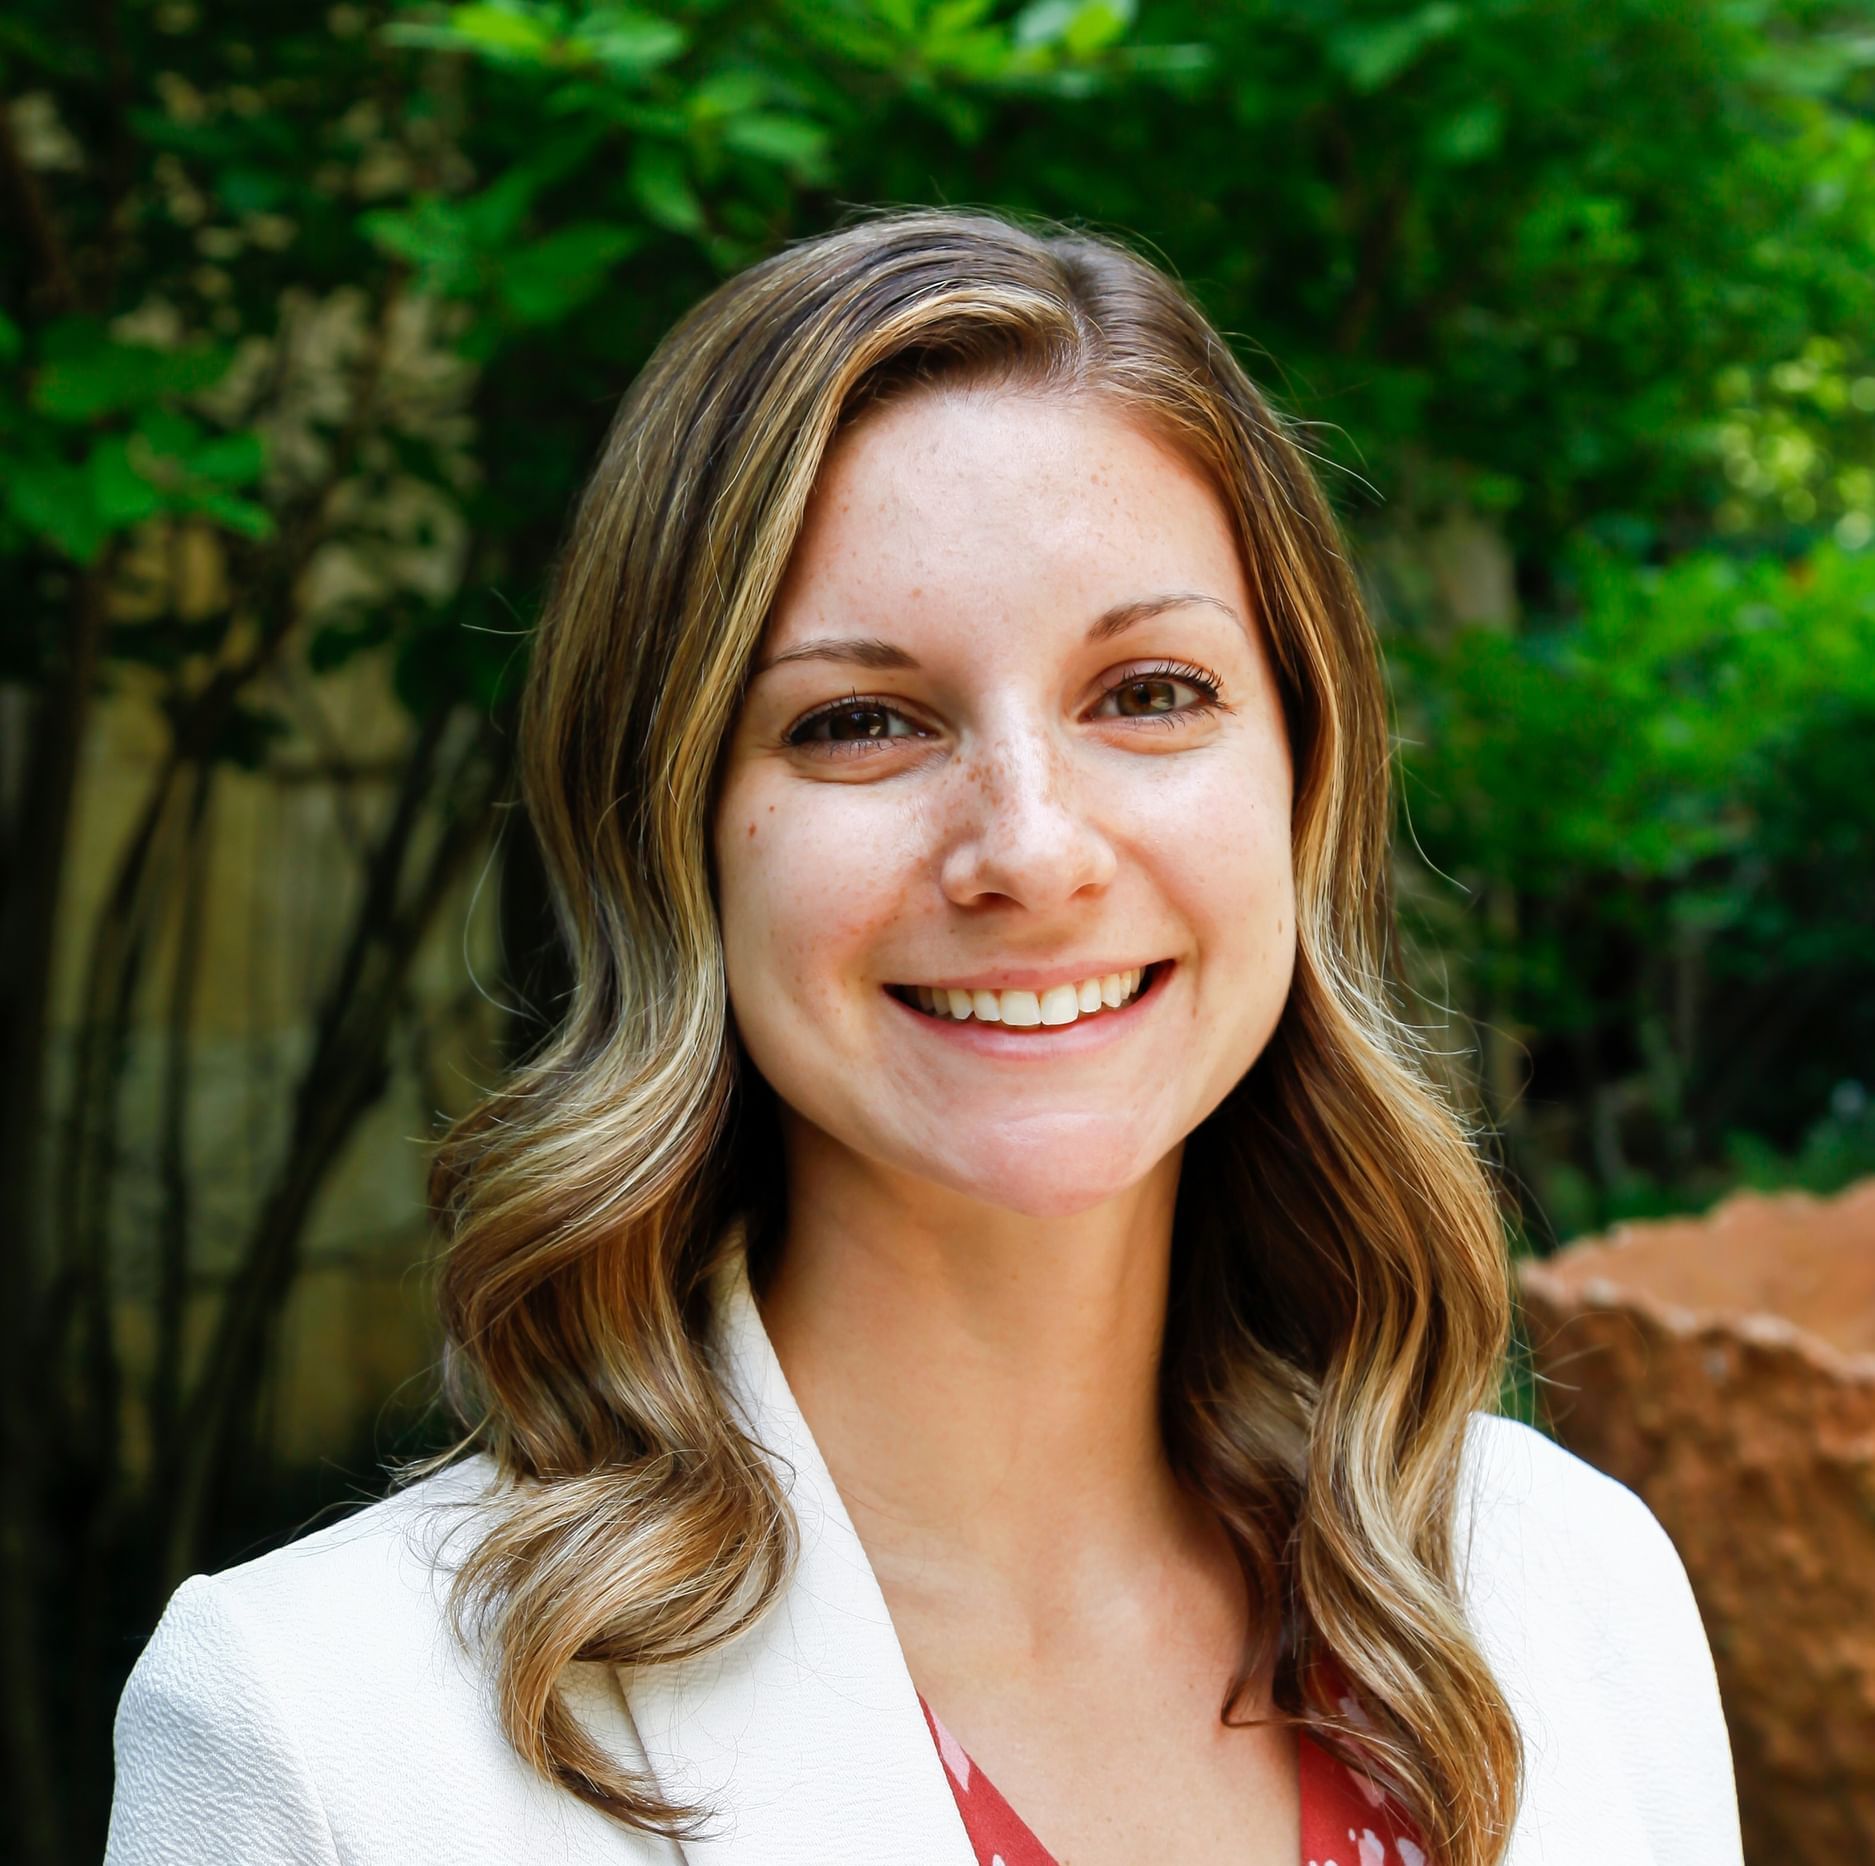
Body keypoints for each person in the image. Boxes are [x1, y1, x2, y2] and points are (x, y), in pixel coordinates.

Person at [105, 207, 1742, 1866]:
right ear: (670, 836)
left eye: (1149, 691)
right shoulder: (322, 1740)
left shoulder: (1572, 1596)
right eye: (859, 722)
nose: (1030, 847)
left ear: (1306, 781)